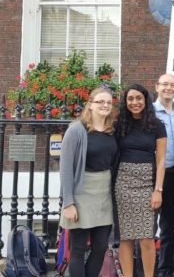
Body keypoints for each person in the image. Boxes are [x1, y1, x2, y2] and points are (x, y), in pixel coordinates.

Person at [59, 87, 117, 277]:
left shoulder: (112, 130)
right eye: (100, 101)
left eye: (108, 102)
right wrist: (68, 202)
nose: (105, 105)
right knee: (77, 249)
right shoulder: (76, 130)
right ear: (90, 104)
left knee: (100, 247)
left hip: (104, 194)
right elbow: (66, 167)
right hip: (81, 192)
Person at [115, 84, 167, 277]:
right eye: (130, 99)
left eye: (139, 98)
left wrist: (158, 190)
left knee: (146, 237)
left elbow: (161, 160)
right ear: (125, 102)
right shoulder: (119, 123)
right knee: (126, 238)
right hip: (122, 182)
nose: (134, 102)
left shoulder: (156, 124)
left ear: (146, 100)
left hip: (147, 182)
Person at [153, 74, 174, 277]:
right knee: (146, 226)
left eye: (173, 85)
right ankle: (144, 268)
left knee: (168, 226)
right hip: (151, 175)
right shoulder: (149, 113)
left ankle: (165, 270)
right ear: (157, 87)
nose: (168, 88)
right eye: (164, 84)